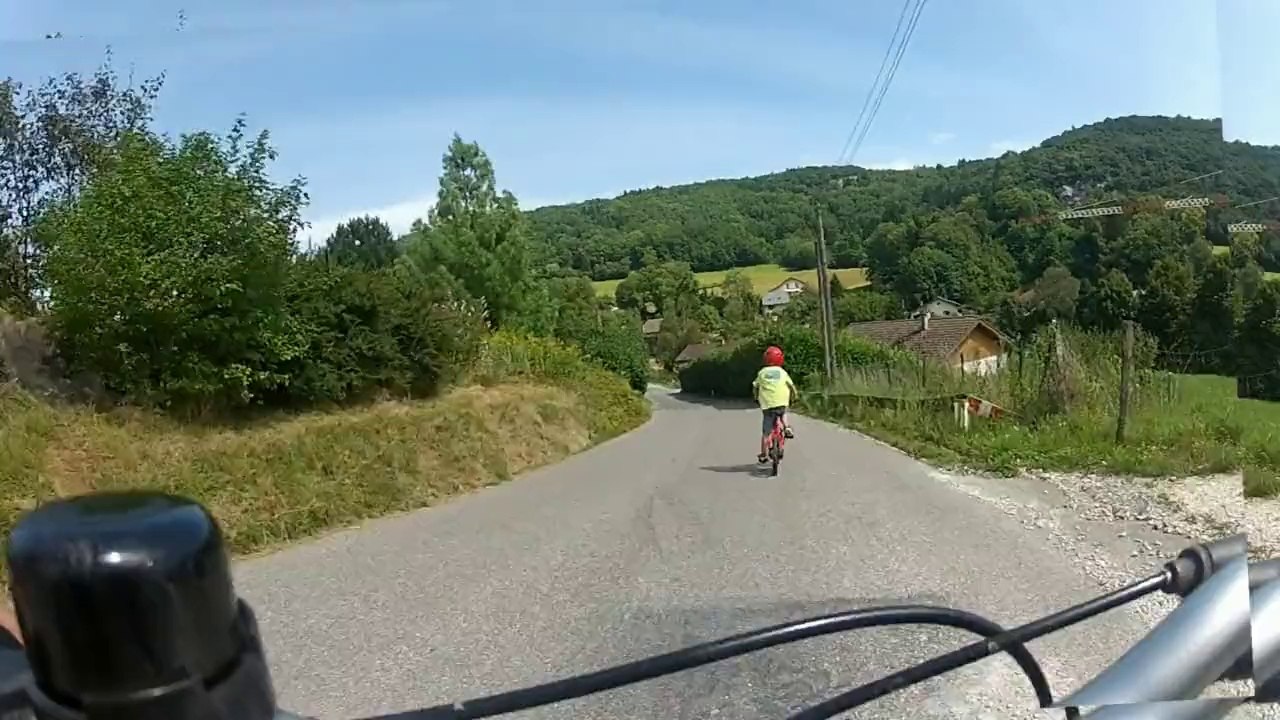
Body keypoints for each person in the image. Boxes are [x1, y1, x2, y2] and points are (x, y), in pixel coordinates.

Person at [752, 345, 797, 464]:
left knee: (766, 432)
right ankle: (787, 427)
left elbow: (755, 386)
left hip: (767, 405)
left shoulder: (762, 373)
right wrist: (795, 396)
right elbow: (792, 386)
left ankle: (763, 454)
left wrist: (756, 397)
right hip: (781, 402)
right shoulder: (782, 372)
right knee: (783, 413)